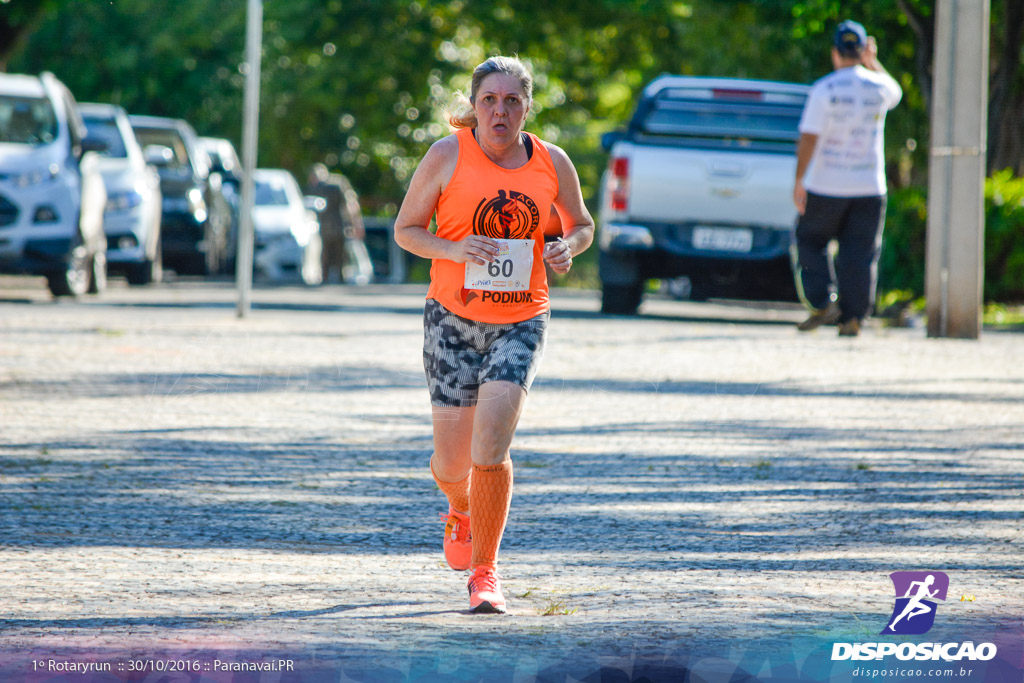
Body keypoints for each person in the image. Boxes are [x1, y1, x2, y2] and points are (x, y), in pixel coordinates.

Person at [393, 56, 594, 614]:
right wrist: (453, 249)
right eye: (489, 100)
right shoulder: (445, 154)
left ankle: (486, 573)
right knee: (453, 461)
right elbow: (406, 230)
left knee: (492, 445)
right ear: (475, 105)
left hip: (521, 318)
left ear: (527, 107)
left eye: (511, 101)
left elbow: (581, 224)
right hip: (451, 320)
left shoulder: (552, 162)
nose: (499, 111)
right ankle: (459, 505)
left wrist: (565, 247)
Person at [793, 19, 902, 337]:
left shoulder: (824, 89)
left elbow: (809, 137)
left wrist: (800, 179)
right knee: (861, 251)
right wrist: (873, 61)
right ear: (862, 50)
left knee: (811, 240)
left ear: (835, 53)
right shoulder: (879, 87)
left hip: (827, 184)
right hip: (869, 186)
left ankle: (823, 300)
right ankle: (853, 317)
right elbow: (896, 91)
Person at [306, 163, 373, 284]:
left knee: (329, 254)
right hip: (337, 226)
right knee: (337, 255)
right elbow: (351, 204)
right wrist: (356, 224)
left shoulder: (328, 185)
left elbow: (350, 205)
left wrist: (356, 224)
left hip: (331, 226)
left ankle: (328, 279)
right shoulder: (338, 183)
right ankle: (337, 279)